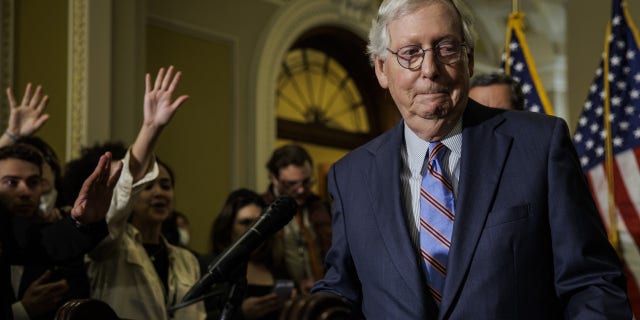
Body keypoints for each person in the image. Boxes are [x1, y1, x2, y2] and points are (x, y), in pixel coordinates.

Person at [311, 0, 631, 319]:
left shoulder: (539, 146)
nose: (430, 69)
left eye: (447, 48)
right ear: (382, 68)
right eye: (410, 53)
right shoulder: (350, 175)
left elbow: (592, 284)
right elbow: (343, 287)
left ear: (470, 59)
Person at [85, 66, 205, 320]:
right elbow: (119, 196)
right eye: (149, 186)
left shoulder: (186, 260)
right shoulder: (109, 246)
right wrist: (151, 128)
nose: (159, 193)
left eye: (166, 185)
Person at [2, 143, 122, 320]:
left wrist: (88, 219)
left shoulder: (39, 235)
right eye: (12, 182)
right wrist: (22, 310)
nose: (25, 191)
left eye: (33, 182)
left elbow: (52, 241)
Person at [205, 188, 291, 320]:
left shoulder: (276, 264)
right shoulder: (211, 268)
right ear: (228, 227)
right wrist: (240, 314)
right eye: (245, 223)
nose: (254, 229)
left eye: (259, 222)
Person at [262, 144, 331, 294]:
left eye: (306, 182)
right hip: (283, 299)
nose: (300, 190)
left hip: (322, 294)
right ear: (274, 178)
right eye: (291, 184)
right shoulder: (262, 210)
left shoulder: (320, 207)